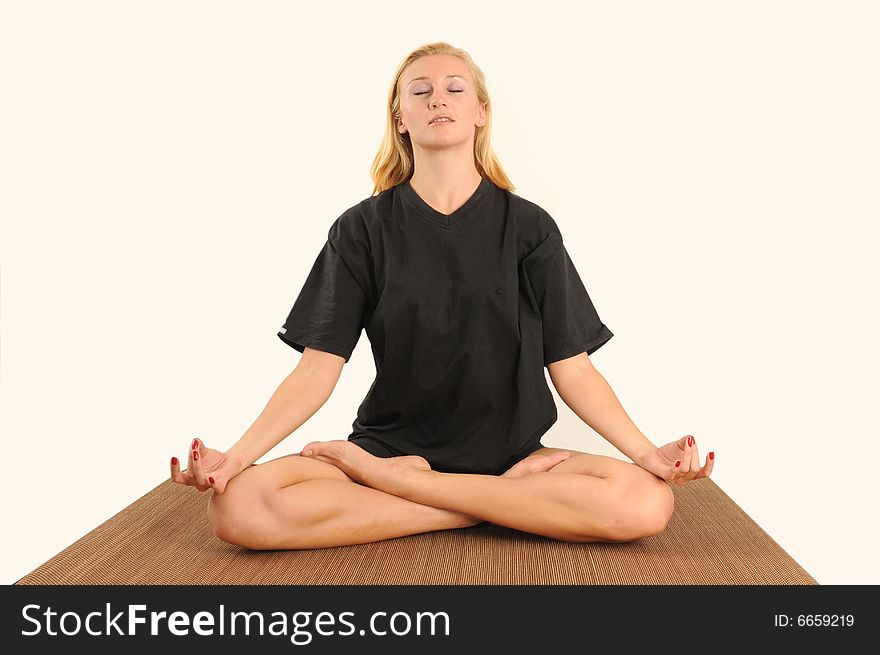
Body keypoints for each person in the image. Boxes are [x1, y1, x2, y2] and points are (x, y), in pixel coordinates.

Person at [170, 42, 715, 551]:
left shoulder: (529, 228)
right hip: (391, 449)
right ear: (400, 119)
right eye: (420, 90)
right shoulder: (361, 230)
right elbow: (317, 369)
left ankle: (405, 490)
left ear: (480, 111)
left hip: (512, 456)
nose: (438, 99)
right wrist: (236, 459)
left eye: (455, 88)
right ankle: (481, 506)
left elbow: (572, 367)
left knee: (646, 502)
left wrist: (648, 454)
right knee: (239, 508)